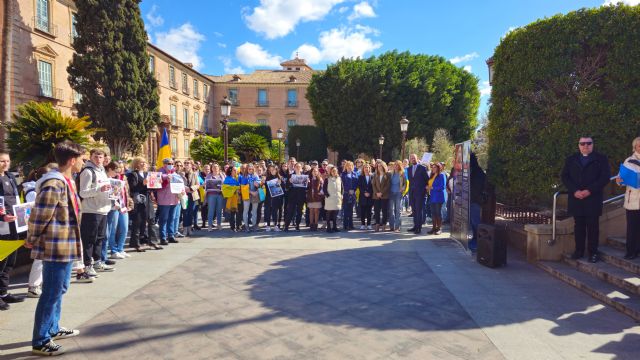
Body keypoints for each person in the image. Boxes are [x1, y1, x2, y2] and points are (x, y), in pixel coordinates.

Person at [26, 141, 85, 356]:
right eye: (81, 159)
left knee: (60, 289)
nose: (82, 162)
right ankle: (40, 340)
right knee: (50, 293)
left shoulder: (68, 181)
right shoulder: (54, 183)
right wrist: (31, 238)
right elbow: (40, 214)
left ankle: (53, 328)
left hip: (66, 244)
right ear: (72, 160)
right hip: (55, 246)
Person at [561, 136, 611, 263]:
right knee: (579, 227)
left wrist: (589, 190)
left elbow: (604, 177)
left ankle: (593, 253)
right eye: (582, 143)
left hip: (593, 198)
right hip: (576, 198)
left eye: (588, 143)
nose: (585, 145)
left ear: (593, 144)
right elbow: (565, 177)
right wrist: (575, 190)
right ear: (578, 145)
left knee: (593, 227)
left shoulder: (601, 159)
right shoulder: (571, 159)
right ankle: (579, 251)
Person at [78, 148, 113, 277]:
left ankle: (97, 261)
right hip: (91, 210)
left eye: (101, 157)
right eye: (96, 157)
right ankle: (87, 265)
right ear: (91, 157)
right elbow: (83, 192)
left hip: (103, 209)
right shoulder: (88, 172)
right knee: (89, 239)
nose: (98, 159)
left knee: (100, 238)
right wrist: (99, 189)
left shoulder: (102, 171)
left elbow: (106, 189)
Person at [0, 151, 26, 310]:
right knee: (1, 261)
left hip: (14, 224)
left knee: (10, 261)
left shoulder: (10, 176)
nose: (5, 163)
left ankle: (3, 292)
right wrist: (2, 217)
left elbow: (16, 199)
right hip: (2, 226)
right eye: (2, 161)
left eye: (7, 160)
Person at [126, 157, 161, 252]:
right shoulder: (133, 175)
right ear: (136, 164)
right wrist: (143, 184)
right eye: (142, 162)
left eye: (145, 162)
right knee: (138, 222)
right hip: (139, 200)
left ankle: (153, 242)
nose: (144, 164)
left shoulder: (147, 174)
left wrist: (157, 184)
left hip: (148, 200)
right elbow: (132, 188)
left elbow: (151, 189)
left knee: (151, 220)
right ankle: (135, 243)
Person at [616, 137, 640, 259]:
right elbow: (621, 178)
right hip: (633, 200)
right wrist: (619, 181)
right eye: (639, 146)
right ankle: (631, 252)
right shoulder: (629, 161)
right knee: (632, 228)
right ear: (635, 147)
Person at [105, 162, 134, 259]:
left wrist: (129, 203)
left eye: (122, 167)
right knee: (113, 229)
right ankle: (113, 250)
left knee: (124, 228)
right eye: (118, 168)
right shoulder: (111, 178)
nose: (120, 169)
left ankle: (120, 249)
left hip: (124, 205)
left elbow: (127, 192)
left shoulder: (124, 178)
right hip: (115, 206)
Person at [157, 158, 180, 245]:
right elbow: (157, 180)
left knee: (172, 218)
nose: (170, 164)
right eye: (168, 163)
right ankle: (163, 237)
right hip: (164, 200)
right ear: (164, 164)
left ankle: (171, 236)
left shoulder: (174, 173)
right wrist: (166, 177)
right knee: (163, 219)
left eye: (171, 163)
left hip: (174, 199)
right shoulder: (160, 172)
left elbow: (179, 183)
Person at [406, 154, 429, 234]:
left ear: (417, 158)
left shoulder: (422, 168)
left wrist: (424, 191)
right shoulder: (409, 169)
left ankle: (419, 228)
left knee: (419, 210)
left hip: (420, 193)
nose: (412, 159)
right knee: (414, 210)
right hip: (412, 193)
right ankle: (415, 226)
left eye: (414, 158)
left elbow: (427, 180)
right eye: (411, 158)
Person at [284, 163, 307, 232]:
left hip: (301, 196)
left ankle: (297, 225)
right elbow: (287, 187)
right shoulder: (291, 175)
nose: (298, 168)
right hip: (292, 196)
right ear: (294, 168)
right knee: (290, 211)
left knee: (299, 212)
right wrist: (289, 182)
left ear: (301, 168)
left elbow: (306, 187)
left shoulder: (304, 176)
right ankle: (286, 225)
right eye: (296, 167)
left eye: (299, 167)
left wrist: (307, 182)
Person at [181, 160, 200, 236]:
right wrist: (184, 188)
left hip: (192, 195)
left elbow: (198, 184)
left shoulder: (194, 174)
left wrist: (191, 188)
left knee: (190, 212)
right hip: (184, 195)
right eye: (185, 163)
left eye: (188, 163)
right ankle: (185, 228)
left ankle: (189, 228)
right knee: (185, 212)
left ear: (191, 165)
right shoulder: (180, 174)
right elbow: (178, 183)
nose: (186, 165)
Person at [388, 160, 408, 232]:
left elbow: (406, 183)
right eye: (395, 165)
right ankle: (391, 226)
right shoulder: (390, 173)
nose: (396, 166)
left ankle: (397, 227)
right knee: (391, 210)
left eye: (397, 165)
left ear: (400, 166)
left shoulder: (402, 174)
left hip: (398, 193)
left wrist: (402, 188)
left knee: (398, 210)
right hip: (391, 193)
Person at [427, 163, 447, 235]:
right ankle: (433, 228)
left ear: (439, 168)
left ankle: (439, 228)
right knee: (433, 213)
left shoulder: (442, 175)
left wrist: (432, 188)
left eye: (435, 167)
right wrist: (427, 187)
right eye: (432, 167)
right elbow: (430, 184)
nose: (433, 168)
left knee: (438, 213)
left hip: (439, 197)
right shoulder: (432, 175)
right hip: (432, 196)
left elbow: (442, 186)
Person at [205, 164, 225, 231]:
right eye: (214, 167)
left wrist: (222, 186)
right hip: (211, 195)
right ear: (212, 168)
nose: (215, 168)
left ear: (219, 168)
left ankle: (219, 224)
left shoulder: (222, 175)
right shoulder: (209, 176)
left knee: (219, 210)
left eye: (217, 167)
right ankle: (210, 226)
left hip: (220, 194)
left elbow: (225, 184)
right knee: (211, 210)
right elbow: (206, 185)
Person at [324, 166, 343, 233]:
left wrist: (341, 195)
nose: (334, 172)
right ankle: (328, 227)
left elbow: (342, 188)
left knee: (335, 214)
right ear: (330, 172)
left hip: (337, 198)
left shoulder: (339, 178)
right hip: (329, 198)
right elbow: (324, 189)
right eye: (333, 171)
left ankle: (335, 227)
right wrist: (327, 195)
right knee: (329, 213)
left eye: (335, 171)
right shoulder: (327, 179)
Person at [372, 161, 390, 232]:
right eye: (378, 166)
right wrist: (377, 193)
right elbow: (373, 185)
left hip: (384, 195)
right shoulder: (375, 174)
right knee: (376, 211)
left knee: (384, 211)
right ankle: (377, 224)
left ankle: (384, 224)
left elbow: (388, 185)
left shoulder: (388, 174)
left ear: (383, 166)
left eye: (381, 166)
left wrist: (381, 193)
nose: (379, 167)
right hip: (376, 196)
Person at [222, 167, 241, 231]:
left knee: (238, 213)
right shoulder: (227, 178)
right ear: (230, 171)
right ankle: (232, 227)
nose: (235, 171)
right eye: (234, 170)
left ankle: (238, 226)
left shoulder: (237, 178)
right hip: (231, 198)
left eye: (236, 170)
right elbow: (225, 188)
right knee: (232, 213)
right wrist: (235, 188)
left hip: (238, 197)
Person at [341, 161, 358, 231]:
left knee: (351, 211)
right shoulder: (343, 174)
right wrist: (348, 190)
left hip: (353, 194)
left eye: (351, 166)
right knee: (345, 210)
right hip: (345, 194)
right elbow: (342, 184)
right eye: (348, 166)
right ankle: (345, 225)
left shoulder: (355, 174)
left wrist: (353, 189)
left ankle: (351, 225)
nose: (350, 167)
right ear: (346, 166)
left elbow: (356, 183)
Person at [265, 165, 283, 232]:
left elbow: (283, 189)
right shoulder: (267, 178)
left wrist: (280, 184)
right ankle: (268, 226)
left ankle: (276, 225)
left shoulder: (279, 178)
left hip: (277, 198)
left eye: (274, 169)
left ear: (276, 170)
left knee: (275, 212)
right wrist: (264, 183)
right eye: (271, 170)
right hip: (269, 198)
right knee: (268, 212)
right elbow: (266, 188)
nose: (272, 171)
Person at [306, 167, 324, 231]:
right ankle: (311, 225)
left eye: (316, 171)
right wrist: (307, 182)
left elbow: (322, 187)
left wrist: (320, 193)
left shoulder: (320, 179)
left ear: (318, 172)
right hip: (311, 197)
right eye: (313, 171)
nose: (315, 172)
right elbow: (306, 188)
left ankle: (316, 225)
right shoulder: (309, 178)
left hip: (317, 197)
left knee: (316, 211)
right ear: (311, 172)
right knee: (311, 211)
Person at [357, 164, 374, 230]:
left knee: (369, 211)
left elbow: (373, 186)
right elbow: (359, 186)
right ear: (363, 169)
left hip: (370, 196)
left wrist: (369, 192)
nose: (366, 169)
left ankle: (369, 224)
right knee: (363, 211)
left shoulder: (372, 176)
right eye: (365, 168)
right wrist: (364, 192)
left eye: (368, 167)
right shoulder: (360, 177)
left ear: (369, 168)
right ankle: (363, 224)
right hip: (363, 196)